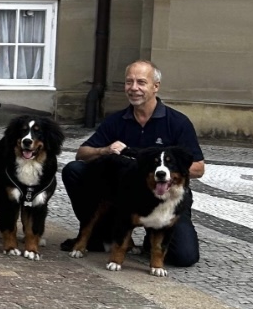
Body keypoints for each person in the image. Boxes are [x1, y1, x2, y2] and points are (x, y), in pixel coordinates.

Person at [59, 60, 205, 266]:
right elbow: (82, 154)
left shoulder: (177, 122)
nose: (134, 88)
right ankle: (102, 231)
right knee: (75, 170)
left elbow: (199, 168)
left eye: (141, 82)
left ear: (155, 86)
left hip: (167, 196)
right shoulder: (116, 120)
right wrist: (105, 150)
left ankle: (151, 237)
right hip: (129, 194)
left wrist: (164, 168)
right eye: (129, 82)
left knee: (184, 256)